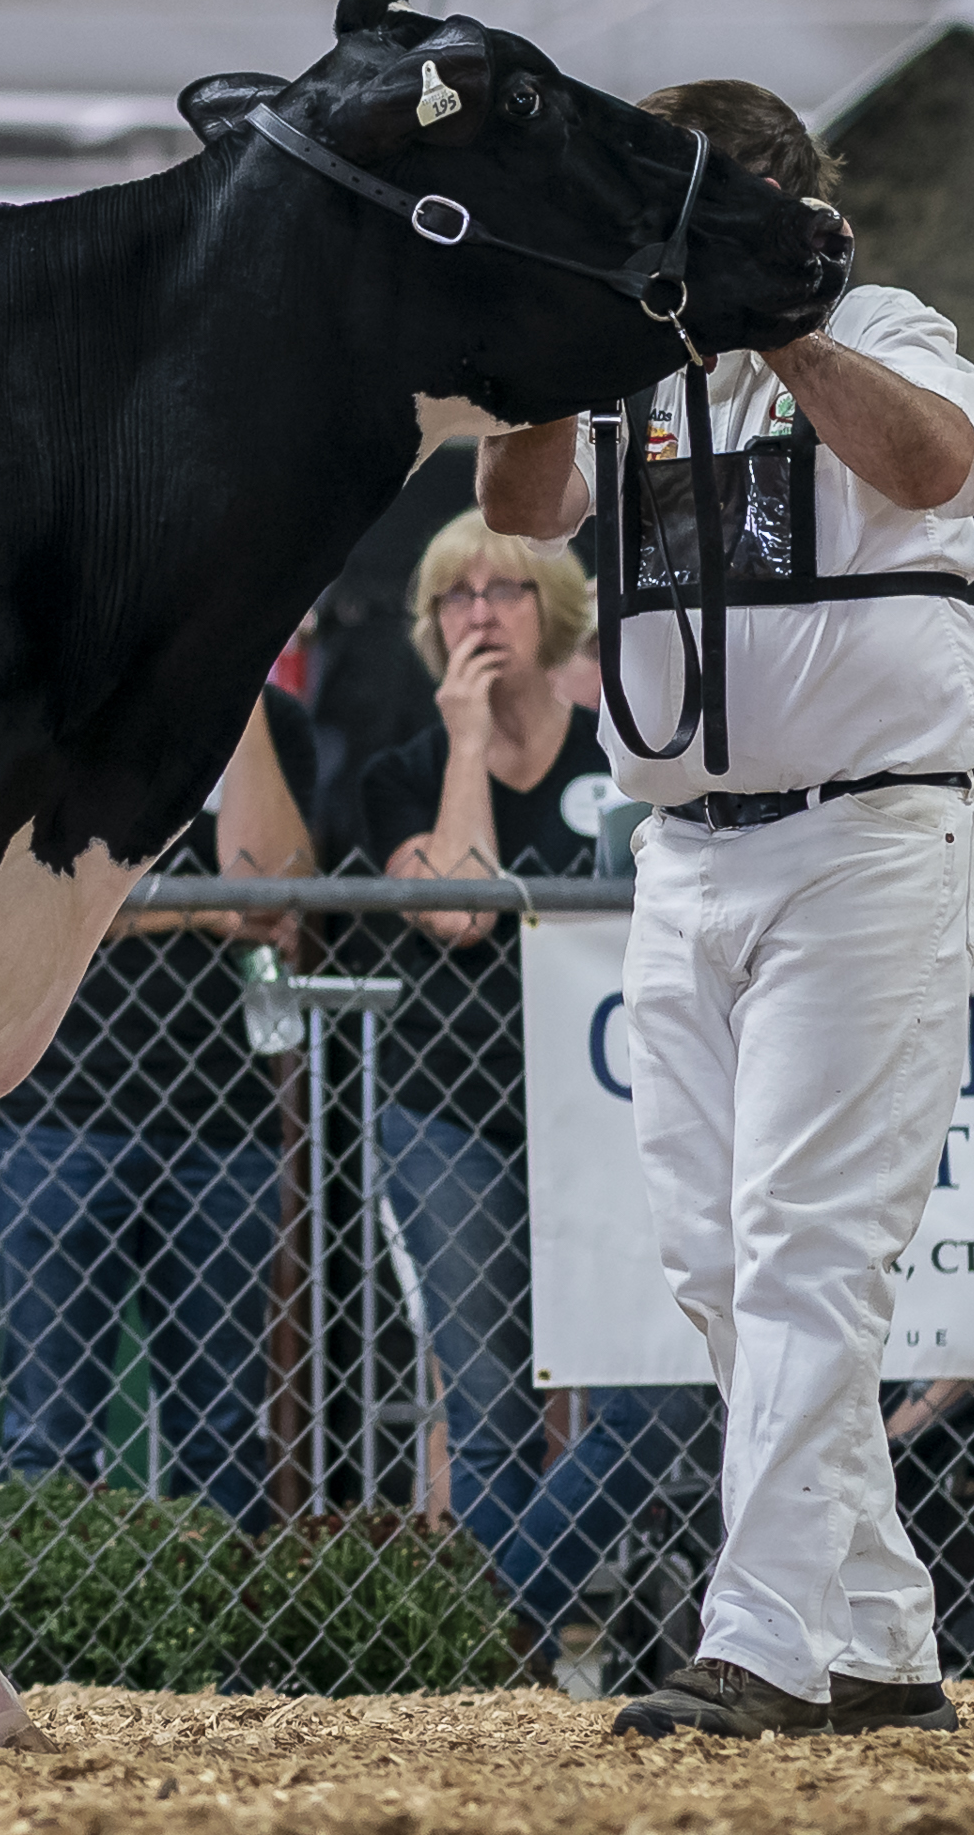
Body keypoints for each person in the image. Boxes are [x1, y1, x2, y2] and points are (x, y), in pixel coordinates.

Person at [477, 78, 974, 1739]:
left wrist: (782, 317)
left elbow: (935, 466)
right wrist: (570, 334)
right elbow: (516, 507)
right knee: (715, 1260)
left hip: (866, 842)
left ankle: (763, 1639)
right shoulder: (631, 371)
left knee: (801, 1247)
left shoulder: (886, 330)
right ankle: (879, 1636)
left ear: (788, 215)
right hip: (683, 852)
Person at [354, 511, 614, 1604]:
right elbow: (459, 911)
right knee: (488, 1403)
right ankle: (516, 1652)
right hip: (453, 1109)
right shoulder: (404, 772)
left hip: (611, 1111)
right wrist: (467, 743)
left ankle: (501, 1611)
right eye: (455, 596)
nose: (479, 614)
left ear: (553, 609)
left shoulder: (624, 755)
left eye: (503, 589)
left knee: (649, 1401)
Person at [0, 691, 315, 1527]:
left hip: (223, 1124)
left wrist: (241, 694)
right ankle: (44, 1613)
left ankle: (222, 1619)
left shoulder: (273, 722)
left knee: (223, 1436)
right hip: (55, 1110)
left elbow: (264, 888)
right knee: (51, 1436)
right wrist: (202, 910)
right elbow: (41, 890)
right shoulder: (65, 695)